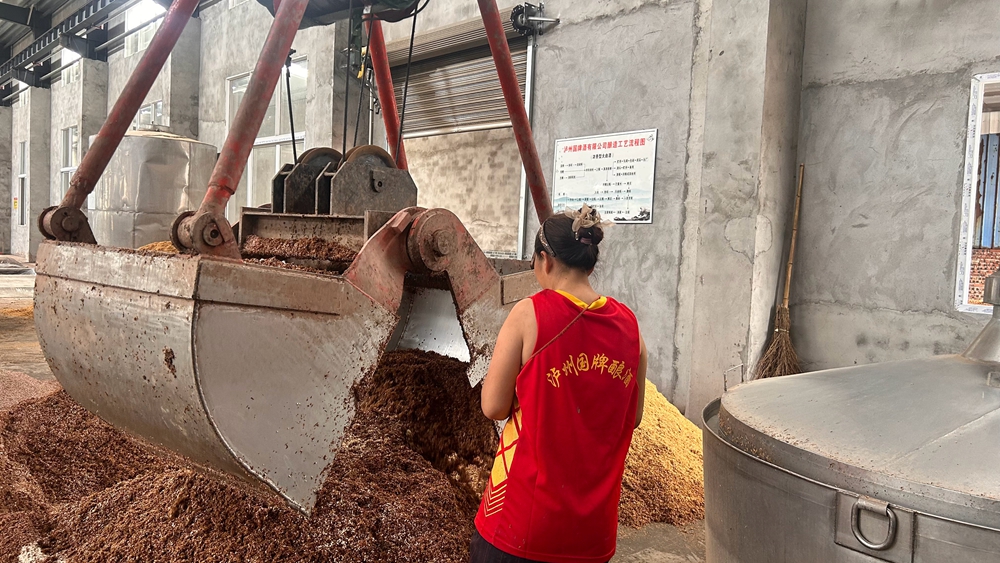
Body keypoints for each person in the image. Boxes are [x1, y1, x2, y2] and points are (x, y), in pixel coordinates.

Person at [471, 204, 648, 563]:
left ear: (544, 261)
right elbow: (633, 418)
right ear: (590, 265)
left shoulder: (529, 313)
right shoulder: (631, 328)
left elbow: (493, 406)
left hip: (520, 527)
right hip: (592, 536)